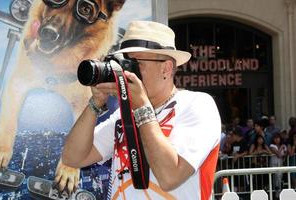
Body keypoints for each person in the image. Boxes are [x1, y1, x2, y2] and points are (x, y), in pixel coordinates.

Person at [62, 21, 221, 199]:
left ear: (166, 68)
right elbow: (72, 158)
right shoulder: (123, 115)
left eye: (135, 63)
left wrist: (142, 107)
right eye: (124, 63)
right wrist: (95, 104)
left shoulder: (197, 104)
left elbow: (170, 177)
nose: (127, 72)